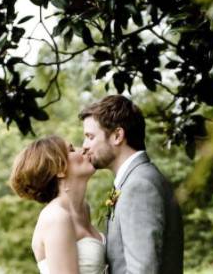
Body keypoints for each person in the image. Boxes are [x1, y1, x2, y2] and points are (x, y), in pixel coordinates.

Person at [79, 95, 184, 274]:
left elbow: (143, 270)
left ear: (118, 136)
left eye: (90, 137)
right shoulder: (135, 180)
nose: (84, 146)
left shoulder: (139, 186)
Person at [9, 135, 107, 274]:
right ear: (59, 169)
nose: (83, 149)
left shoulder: (83, 209)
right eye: (72, 150)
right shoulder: (56, 218)